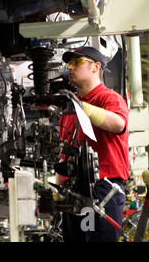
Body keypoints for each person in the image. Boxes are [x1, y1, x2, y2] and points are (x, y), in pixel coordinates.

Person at [56, 46, 129, 242]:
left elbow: (118, 124)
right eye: (69, 63)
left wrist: (83, 107)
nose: (70, 67)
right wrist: (56, 190)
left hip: (103, 188)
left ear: (96, 67)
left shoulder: (108, 98)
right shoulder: (68, 110)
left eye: (77, 62)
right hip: (72, 190)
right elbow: (64, 153)